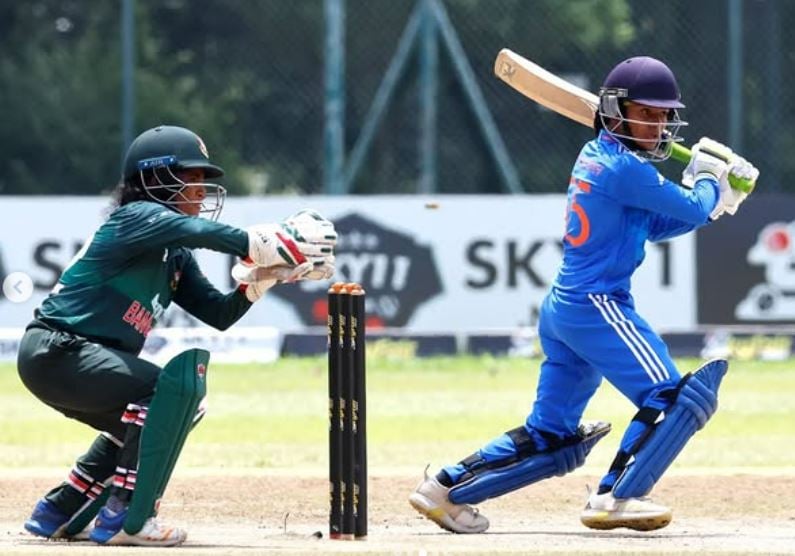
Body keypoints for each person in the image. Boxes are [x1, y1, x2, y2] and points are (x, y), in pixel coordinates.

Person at [409, 57, 759, 533]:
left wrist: (713, 201)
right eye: (647, 113)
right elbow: (689, 206)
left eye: (663, 116)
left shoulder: (601, 157)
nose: (658, 126)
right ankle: (617, 496)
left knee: (550, 437)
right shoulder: (625, 169)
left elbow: (656, 223)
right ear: (615, 111)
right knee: (675, 400)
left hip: (567, 308)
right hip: (597, 303)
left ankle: (445, 489)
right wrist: (708, 182)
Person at [17, 124, 337, 546]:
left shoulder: (175, 257)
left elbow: (218, 313)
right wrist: (266, 241)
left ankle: (58, 510)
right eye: (192, 176)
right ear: (154, 178)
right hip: (60, 349)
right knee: (169, 392)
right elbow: (199, 232)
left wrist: (261, 281)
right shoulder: (135, 216)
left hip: (72, 360)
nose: (201, 191)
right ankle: (129, 518)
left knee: (155, 418)